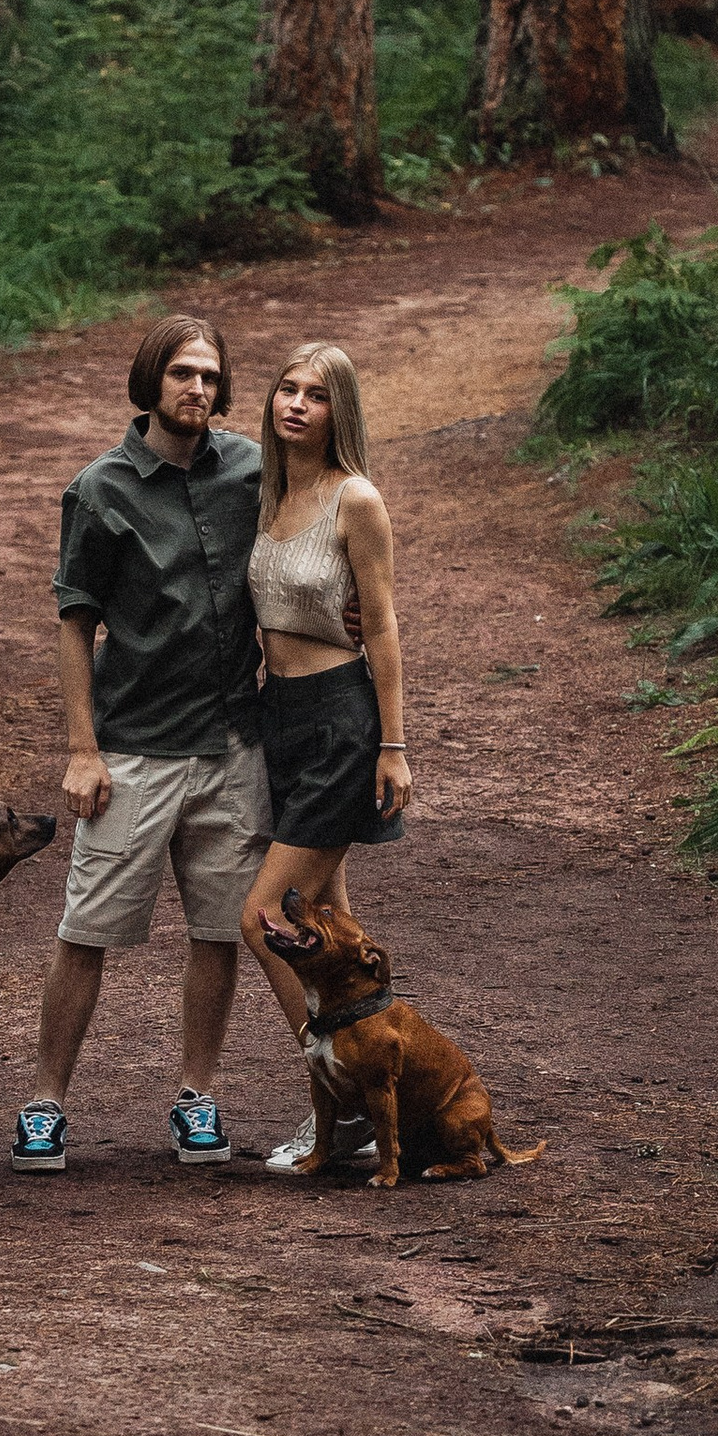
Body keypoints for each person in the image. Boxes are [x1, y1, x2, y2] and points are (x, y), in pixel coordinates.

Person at [9, 315, 269, 1174]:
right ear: (151, 381)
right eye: (182, 373)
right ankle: (46, 1102)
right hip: (136, 750)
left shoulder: (251, 472)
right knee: (87, 926)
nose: (198, 387)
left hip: (234, 745)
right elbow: (74, 623)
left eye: (209, 375)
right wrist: (82, 749)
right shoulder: (101, 489)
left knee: (220, 930)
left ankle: (196, 1095)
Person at [235, 339, 412, 1175]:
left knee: (265, 920)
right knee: (331, 927)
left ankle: (338, 1102)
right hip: (283, 717)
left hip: (342, 723)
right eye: (286, 389)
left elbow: (379, 625)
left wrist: (394, 744)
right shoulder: (267, 489)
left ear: (341, 410)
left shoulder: (357, 498)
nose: (295, 403)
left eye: (315, 393)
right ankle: (389, 1098)